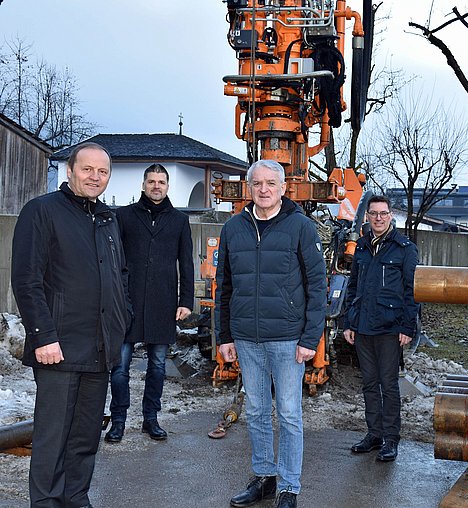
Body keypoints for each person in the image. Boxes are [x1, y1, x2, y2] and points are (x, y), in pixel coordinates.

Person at [11, 142, 130, 507]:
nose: (95, 177)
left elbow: (119, 276)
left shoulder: (108, 219)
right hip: (58, 349)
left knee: (85, 436)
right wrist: (43, 336)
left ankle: (76, 497)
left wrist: (123, 320)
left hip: (100, 349)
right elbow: (26, 279)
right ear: (70, 171)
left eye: (103, 172)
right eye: (87, 169)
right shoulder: (42, 211)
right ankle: (46, 502)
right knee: (53, 437)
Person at [215, 159, 325, 508]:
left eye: (270, 183)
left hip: (288, 340)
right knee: (259, 411)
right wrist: (225, 336)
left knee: (290, 414)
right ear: (249, 188)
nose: (263, 189)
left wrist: (310, 339)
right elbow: (225, 286)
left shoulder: (300, 227)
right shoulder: (234, 229)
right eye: (257, 183)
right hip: (247, 338)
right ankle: (264, 477)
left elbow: (317, 286)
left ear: (282, 188)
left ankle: (289, 487)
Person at [104, 164, 194, 443]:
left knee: (157, 367)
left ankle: (150, 419)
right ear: (143, 184)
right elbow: (112, 258)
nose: (157, 186)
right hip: (126, 303)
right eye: (151, 181)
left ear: (168, 187)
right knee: (119, 367)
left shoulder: (180, 221)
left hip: (163, 303)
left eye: (162, 182)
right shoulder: (123, 216)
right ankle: (118, 420)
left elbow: (187, 263)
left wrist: (186, 301)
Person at [343, 195, 419, 462]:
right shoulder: (361, 247)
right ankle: (374, 434)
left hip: (389, 328)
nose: (378, 218)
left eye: (383, 213)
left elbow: (412, 291)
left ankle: (391, 439)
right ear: (367, 217)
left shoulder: (404, 248)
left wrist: (408, 326)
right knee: (369, 384)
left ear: (391, 216)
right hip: (363, 327)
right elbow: (352, 288)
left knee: (389, 385)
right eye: (373, 213)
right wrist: (349, 323)